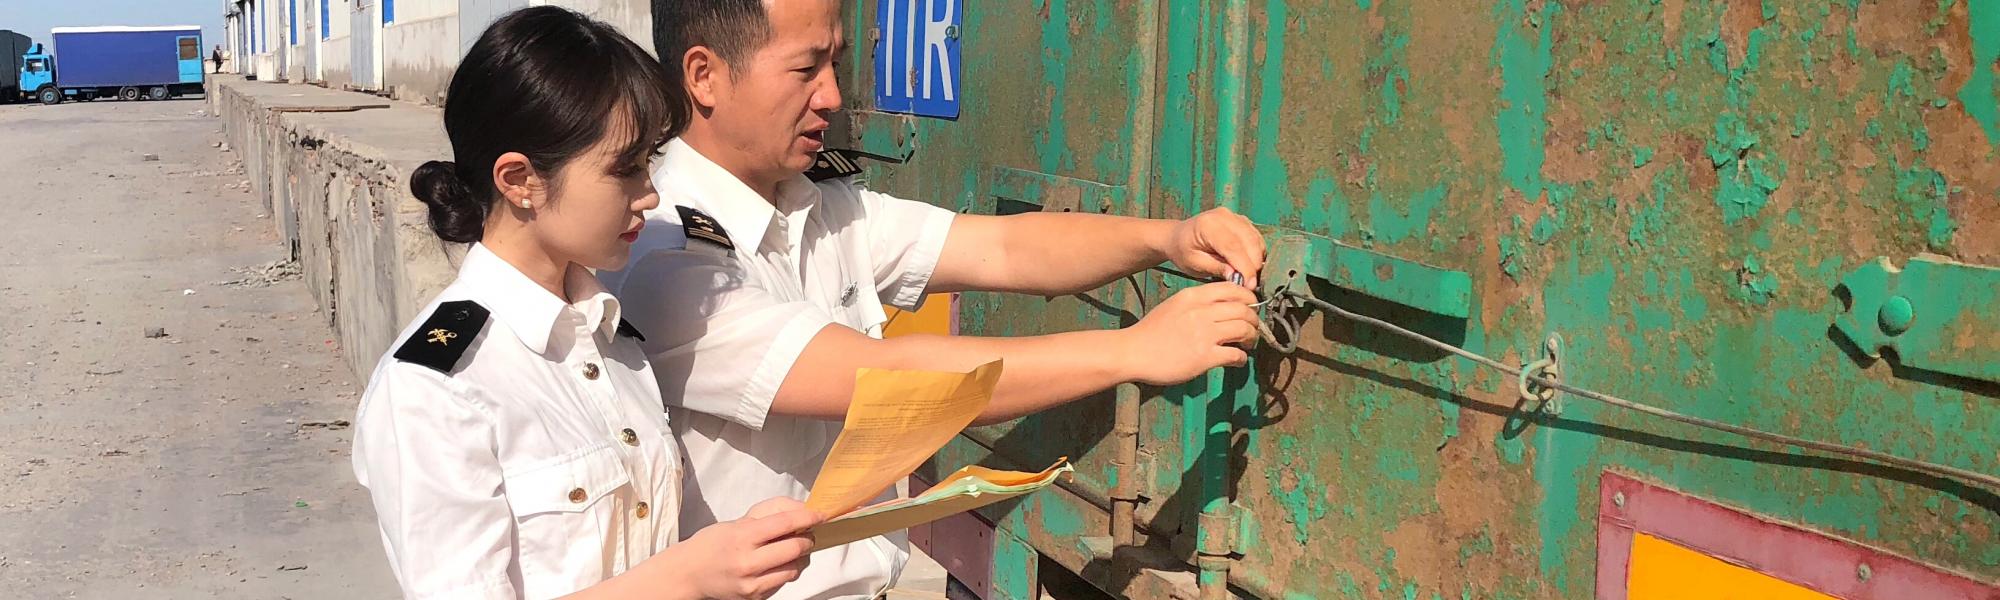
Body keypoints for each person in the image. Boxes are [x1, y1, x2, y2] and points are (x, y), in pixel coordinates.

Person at [603, 1, 1267, 598]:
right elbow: (885, 381)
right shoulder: (669, 256)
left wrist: (1169, 238)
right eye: (806, 68)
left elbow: (1003, 250)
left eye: (835, 61)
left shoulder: (812, 202)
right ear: (704, 75)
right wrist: (1133, 351)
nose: (832, 94)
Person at [350, 7, 820, 599]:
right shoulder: (437, 389)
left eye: (649, 163)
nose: (649, 194)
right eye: (625, 168)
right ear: (520, 180)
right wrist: (689, 578)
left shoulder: (609, 336)